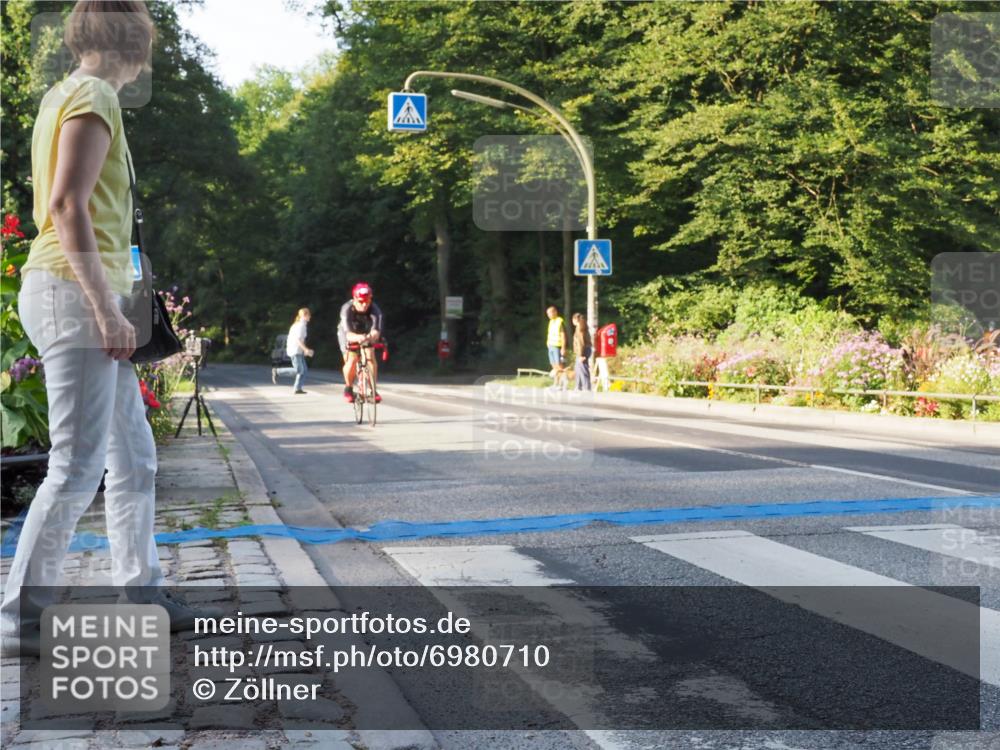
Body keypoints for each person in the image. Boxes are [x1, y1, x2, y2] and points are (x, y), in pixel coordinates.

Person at [0, 0, 212, 658]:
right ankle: (20, 618)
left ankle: (143, 590)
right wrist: (106, 308)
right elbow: (66, 204)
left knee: (133, 455)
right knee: (76, 464)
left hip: (76, 291)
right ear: (132, 42)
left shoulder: (68, 94)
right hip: (73, 293)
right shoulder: (93, 95)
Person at [339, 282, 384, 403]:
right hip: (349, 332)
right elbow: (348, 334)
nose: (364, 304)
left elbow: (376, 330)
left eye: (367, 301)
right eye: (361, 301)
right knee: (351, 359)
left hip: (365, 331)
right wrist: (359, 338)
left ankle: (373, 389)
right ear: (354, 299)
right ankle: (348, 388)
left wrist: (371, 336)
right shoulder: (347, 309)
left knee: (370, 355)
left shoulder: (375, 309)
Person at [272, 307, 313, 394]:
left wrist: (304, 350)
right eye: (309, 315)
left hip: (298, 350)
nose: (310, 316)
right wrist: (305, 349)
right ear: (304, 315)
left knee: (304, 370)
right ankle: (277, 371)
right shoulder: (300, 326)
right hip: (295, 350)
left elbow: (301, 340)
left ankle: (297, 388)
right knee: (299, 370)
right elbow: (298, 340)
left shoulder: (301, 325)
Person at [545, 305, 567, 388]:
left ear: (555, 312)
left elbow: (563, 335)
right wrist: (548, 343)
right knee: (553, 365)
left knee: (559, 366)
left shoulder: (559, 321)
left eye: (550, 313)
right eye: (547, 313)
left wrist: (563, 347)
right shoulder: (551, 322)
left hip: (557, 346)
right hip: (551, 346)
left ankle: (561, 384)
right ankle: (555, 383)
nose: (548, 315)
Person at [571, 312, 592, 391]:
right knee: (578, 368)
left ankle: (586, 387)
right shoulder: (583, 326)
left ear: (575, 319)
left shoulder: (579, 328)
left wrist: (581, 355)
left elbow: (580, 343)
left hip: (583, 350)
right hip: (585, 349)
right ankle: (578, 386)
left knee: (583, 369)